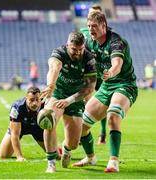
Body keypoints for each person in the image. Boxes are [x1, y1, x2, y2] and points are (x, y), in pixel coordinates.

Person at [73, 11, 138, 173]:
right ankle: (90, 157)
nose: (91, 29)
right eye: (89, 26)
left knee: (113, 116)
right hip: (106, 87)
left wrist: (110, 72)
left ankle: (113, 161)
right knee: (81, 126)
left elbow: (117, 64)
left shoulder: (116, 42)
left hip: (124, 84)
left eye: (94, 26)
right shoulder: (89, 41)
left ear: (104, 25)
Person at [39, 31, 96, 173]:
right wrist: (51, 86)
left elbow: (90, 88)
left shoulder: (89, 59)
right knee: (48, 118)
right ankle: (51, 162)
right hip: (58, 94)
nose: (77, 53)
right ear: (67, 45)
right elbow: (54, 68)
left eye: (80, 49)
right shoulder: (59, 52)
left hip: (75, 98)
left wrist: (69, 100)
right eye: (74, 49)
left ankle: (66, 149)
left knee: (74, 143)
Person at [0, 87, 45, 161]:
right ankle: (2, 148)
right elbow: (14, 134)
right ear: (26, 98)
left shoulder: (45, 105)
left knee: (55, 154)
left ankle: (56, 148)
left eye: (37, 99)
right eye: (31, 100)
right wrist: (19, 156)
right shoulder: (17, 107)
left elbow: (51, 128)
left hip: (37, 128)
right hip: (20, 127)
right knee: (3, 155)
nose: (34, 103)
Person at [80, 4, 107, 144]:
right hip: (89, 72)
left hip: (102, 73)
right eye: (91, 14)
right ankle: (82, 132)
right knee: (84, 100)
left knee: (103, 102)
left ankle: (102, 133)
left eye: (96, 14)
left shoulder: (106, 33)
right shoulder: (83, 31)